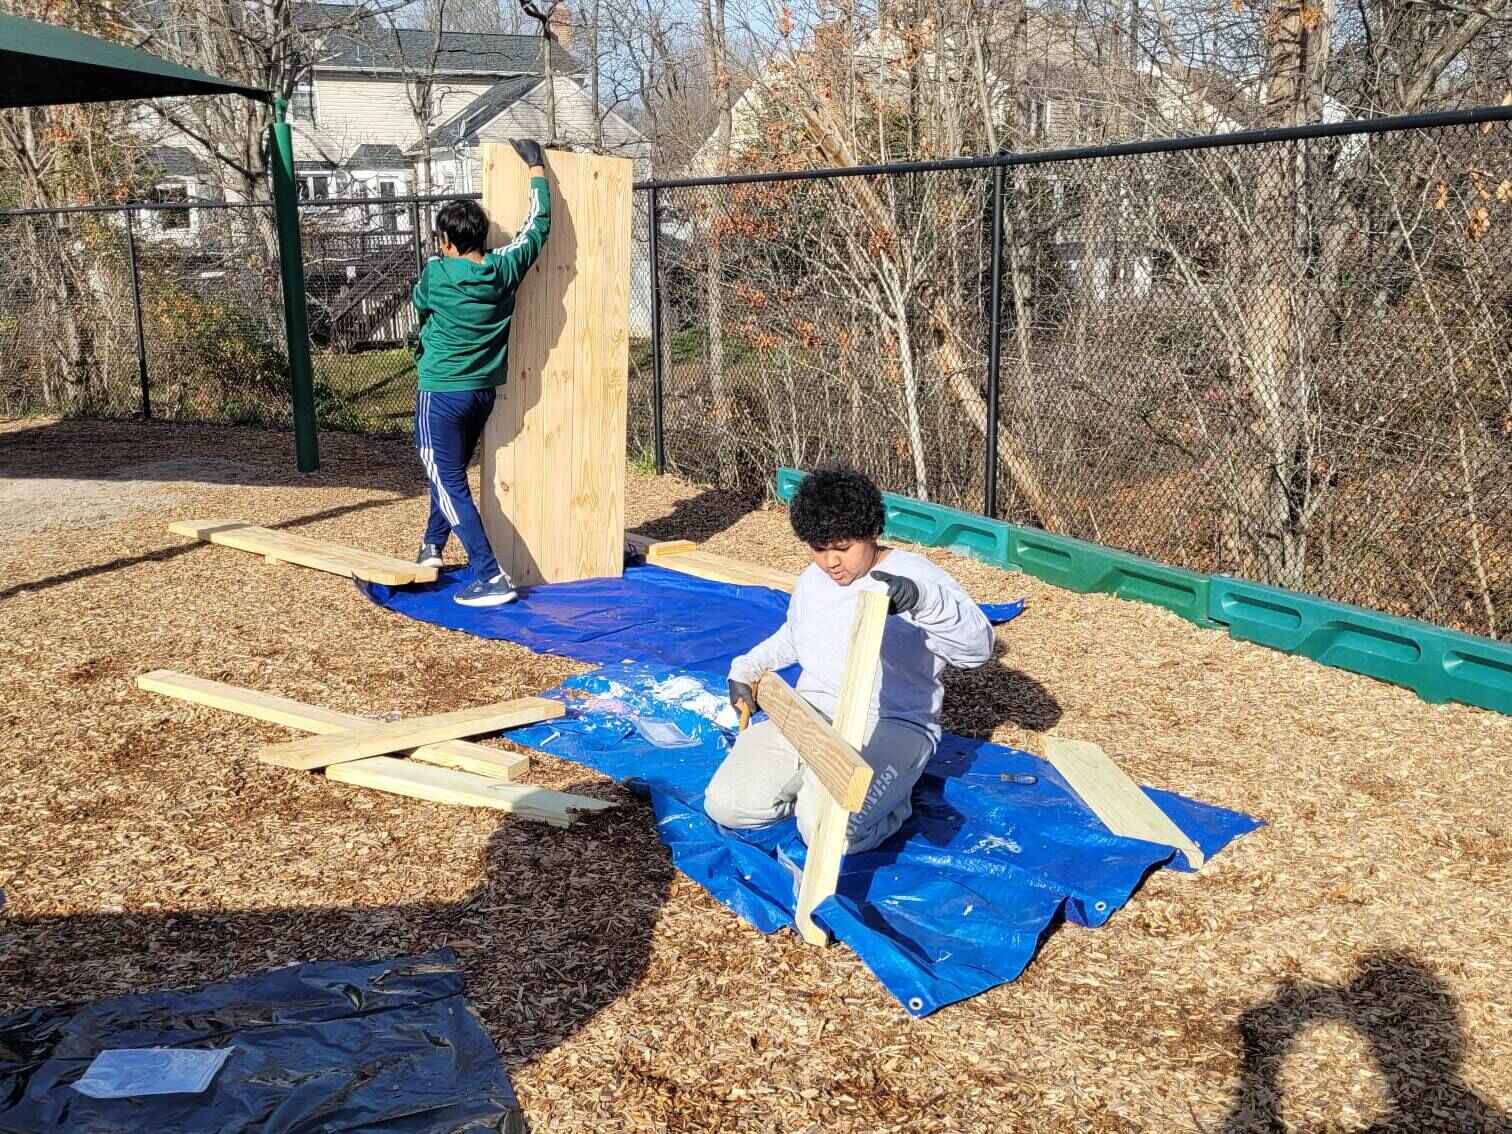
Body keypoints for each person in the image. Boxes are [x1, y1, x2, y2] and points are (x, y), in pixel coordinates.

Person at [703, 467, 994, 852]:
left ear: (872, 532)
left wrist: (924, 602)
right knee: (728, 805)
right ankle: (815, 785)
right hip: (813, 714)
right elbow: (795, 634)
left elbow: (978, 650)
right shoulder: (814, 579)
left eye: (842, 548)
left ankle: (888, 803)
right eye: (819, 549)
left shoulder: (915, 578)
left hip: (892, 722)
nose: (830, 562)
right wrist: (747, 668)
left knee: (830, 832)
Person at [410, 138, 550, 607]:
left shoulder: (435, 274)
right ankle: (433, 545)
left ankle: (489, 575)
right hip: (482, 394)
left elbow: (419, 303)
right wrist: (535, 167)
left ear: (447, 242)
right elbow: (537, 227)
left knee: (445, 477)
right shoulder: (506, 268)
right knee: (448, 473)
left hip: (441, 392)